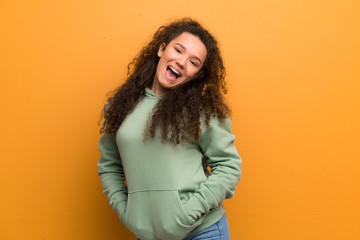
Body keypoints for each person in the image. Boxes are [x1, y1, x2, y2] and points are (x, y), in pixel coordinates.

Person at [97, 18, 242, 240]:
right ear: (161, 49)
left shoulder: (200, 110)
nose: (182, 62)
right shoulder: (121, 106)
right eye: (178, 50)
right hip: (149, 236)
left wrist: (188, 212)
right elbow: (109, 165)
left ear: (197, 74)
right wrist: (128, 214)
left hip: (202, 232)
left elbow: (228, 166)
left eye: (194, 62)